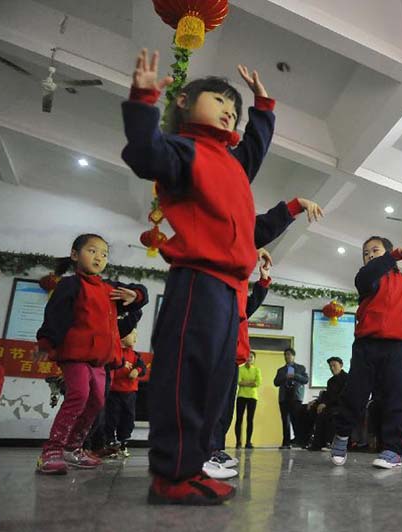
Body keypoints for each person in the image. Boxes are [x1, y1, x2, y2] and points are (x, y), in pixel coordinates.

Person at [121, 49, 322, 505]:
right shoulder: (183, 149)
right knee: (185, 377)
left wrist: (263, 109)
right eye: (219, 100)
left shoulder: (231, 164)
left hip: (230, 288)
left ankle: (193, 465)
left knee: (214, 384)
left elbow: (253, 149)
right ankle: (172, 474)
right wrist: (143, 100)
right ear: (185, 103)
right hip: (198, 279)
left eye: (234, 108)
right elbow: (144, 152)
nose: (230, 108)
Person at [330, 230, 402, 469]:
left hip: (400, 348)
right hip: (367, 346)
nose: (370, 256)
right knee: (355, 394)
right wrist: (391, 256)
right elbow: (370, 272)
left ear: (387, 252)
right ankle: (342, 434)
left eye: (375, 251)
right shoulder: (367, 280)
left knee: (397, 397)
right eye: (365, 254)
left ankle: (392, 449)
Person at [34, 234, 148, 475]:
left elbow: (140, 291)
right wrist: (45, 342)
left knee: (97, 401)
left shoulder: (109, 289)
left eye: (104, 254)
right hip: (75, 355)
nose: (99, 257)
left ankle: (73, 448)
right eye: (92, 251)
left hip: (100, 359)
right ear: (75, 255)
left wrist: (135, 296)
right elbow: (54, 315)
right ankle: (52, 450)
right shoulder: (70, 284)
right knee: (79, 395)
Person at [206, 260, 272, 477]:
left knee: (225, 410)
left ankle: (217, 450)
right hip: (219, 356)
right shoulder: (221, 294)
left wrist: (263, 280)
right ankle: (208, 452)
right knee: (214, 408)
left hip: (234, 359)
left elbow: (251, 304)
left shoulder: (239, 303)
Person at [104, 310, 146, 458]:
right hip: (113, 393)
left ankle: (123, 442)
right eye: (132, 334)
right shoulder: (114, 352)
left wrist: (137, 370)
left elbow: (143, 368)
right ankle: (109, 442)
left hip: (130, 394)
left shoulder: (135, 355)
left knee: (128, 418)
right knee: (111, 418)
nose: (134, 338)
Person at [306, 357, 348, 451]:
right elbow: (327, 395)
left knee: (326, 413)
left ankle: (328, 442)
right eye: (330, 366)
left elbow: (341, 396)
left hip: (341, 405)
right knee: (309, 409)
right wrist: (316, 402)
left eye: (334, 365)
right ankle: (309, 441)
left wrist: (325, 404)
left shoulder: (347, 378)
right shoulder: (331, 381)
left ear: (341, 365)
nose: (332, 368)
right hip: (331, 404)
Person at [273, 348, 309, 449]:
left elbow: (305, 380)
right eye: (285, 355)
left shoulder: (301, 368)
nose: (287, 357)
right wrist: (285, 377)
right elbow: (275, 382)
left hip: (296, 397)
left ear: (293, 356)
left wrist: (295, 375)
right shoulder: (281, 370)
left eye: (289, 355)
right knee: (285, 420)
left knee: (296, 420)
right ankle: (286, 443)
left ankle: (299, 441)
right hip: (284, 397)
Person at [235, 351, 261, 450]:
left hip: (252, 397)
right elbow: (238, 382)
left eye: (251, 357)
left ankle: (248, 442)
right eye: (248, 357)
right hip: (241, 396)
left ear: (254, 359)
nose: (249, 359)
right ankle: (238, 442)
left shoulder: (257, 370)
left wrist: (245, 382)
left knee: (250, 420)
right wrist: (251, 382)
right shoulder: (240, 369)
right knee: (239, 419)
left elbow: (258, 383)